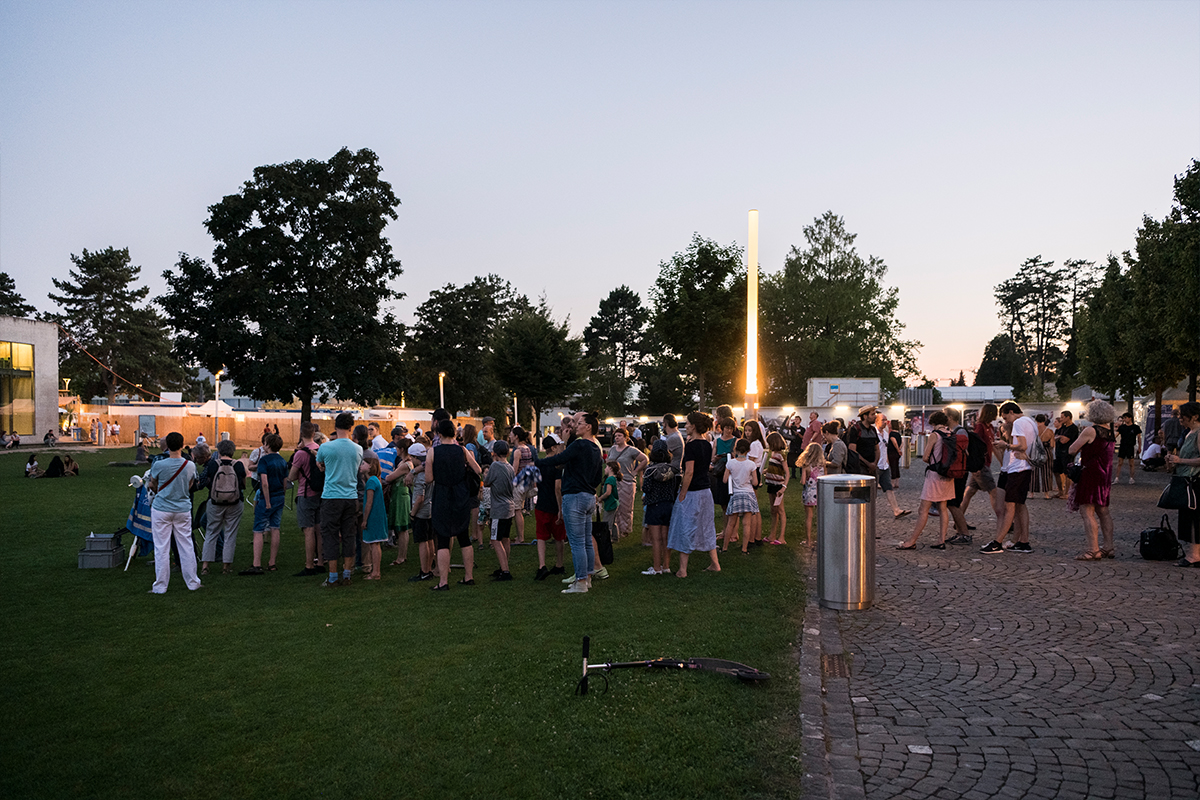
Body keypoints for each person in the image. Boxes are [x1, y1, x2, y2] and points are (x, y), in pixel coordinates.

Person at [535, 411, 604, 594]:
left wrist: (536, 462)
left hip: (575, 497)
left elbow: (559, 459)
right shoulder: (596, 447)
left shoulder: (580, 444)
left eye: (579, 423)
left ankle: (581, 582)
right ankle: (587, 577)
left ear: (588, 426)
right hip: (589, 497)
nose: (575, 426)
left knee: (577, 542)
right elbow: (598, 476)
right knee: (586, 542)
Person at [426, 417, 482, 590]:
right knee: (463, 537)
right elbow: (478, 470)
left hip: (442, 494)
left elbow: (428, 479)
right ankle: (469, 576)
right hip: (461, 494)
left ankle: (443, 581)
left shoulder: (433, 452)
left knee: (443, 538)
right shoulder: (463, 450)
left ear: (439, 433)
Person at [666, 411, 721, 578]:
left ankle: (683, 569)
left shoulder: (691, 446)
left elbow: (688, 472)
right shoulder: (707, 444)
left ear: (694, 426)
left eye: (688, 423)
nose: (686, 426)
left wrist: (682, 492)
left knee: (686, 527)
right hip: (706, 491)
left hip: (693, 492)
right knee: (707, 526)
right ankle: (715, 563)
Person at [147, 432, 200, 594]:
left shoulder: (159, 465)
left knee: (162, 547)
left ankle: (160, 586)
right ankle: (193, 582)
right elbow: (191, 484)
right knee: (186, 546)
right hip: (182, 508)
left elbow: (152, 484)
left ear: (167, 446)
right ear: (182, 445)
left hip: (161, 508)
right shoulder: (190, 465)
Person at [980, 402, 1036, 554]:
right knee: (1018, 505)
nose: (1005, 422)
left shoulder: (1018, 423)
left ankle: (998, 542)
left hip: (1018, 469)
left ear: (1011, 412)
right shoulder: (1031, 421)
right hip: (1017, 468)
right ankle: (1020, 541)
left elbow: (1022, 446)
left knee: (1011, 506)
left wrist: (1006, 445)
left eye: (1005, 417)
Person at [317, 412, 364, 588]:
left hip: (331, 496)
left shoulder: (326, 447)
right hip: (350, 496)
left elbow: (320, 464)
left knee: (330, 535)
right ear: (351, 428)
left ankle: (332, 576)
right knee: (349, 535)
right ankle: (347, 574)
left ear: (335, 427)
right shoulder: (358, 449)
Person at [898, 411, 956, 551]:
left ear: (934, 423)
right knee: (943, 508)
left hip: (935, 475)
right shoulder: (951, 434)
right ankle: (941, 540)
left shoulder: (935, 435)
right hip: (948, 475)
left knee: (923, 509)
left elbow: (925, 457)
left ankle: (911, 541)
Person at [1067, 400, 1116, 560]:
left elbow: (1072, 449)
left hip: (1091, 473)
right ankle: (1108, 547)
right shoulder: (1110, 431)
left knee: (1087, 511)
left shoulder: (1090, 430)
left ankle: (1093, 549)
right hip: (1105, 474)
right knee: (1103, 511)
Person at [242, 433, 286, 575]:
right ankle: (272, 562)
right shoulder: (282, 461)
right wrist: (282, 495)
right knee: (275, 527)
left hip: (267, 498)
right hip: (279, 496)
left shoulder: (264, 461)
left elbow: (264, 483)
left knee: (258, 529)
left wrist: (267, 501)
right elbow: (285, 481)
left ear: (268, 445)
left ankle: (257, 563)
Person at [200, 438, 246, 575]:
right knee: (230, 534)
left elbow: (208, 481)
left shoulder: (213, 465)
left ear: (219, 451)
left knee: (211, 532)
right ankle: (226, 567)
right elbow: (243, 484)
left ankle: (205, 566)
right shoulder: (238, 465)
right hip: (235, 502)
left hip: (215, 502)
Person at [958, 402, 1004, 538]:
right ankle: (1003, 520)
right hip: (981, 466)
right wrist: (975, 465)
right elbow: (974, 445)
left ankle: (959, 521)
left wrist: (1002, 463)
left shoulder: (989, 427)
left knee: (969, 493)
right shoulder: (980, 427)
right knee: (994, 492)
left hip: (984, 464)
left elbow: (992, 446)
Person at [1164, 402, 1200, 567]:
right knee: (1187, 517)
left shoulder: (1198, 433)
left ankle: (1194, 555)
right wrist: (1173, 462)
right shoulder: (1189, 432)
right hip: (1185, 478)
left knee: (1193, 517)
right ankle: (1193, 553)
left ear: (1194, 417)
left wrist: (1180, 460)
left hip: (1194, 480)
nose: (1180, 419)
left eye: (1183, 416)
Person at [287, 421, 323, 576]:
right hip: (320, 493)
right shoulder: (320, 450)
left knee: (308, 530)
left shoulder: (300, 454)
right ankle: (321, 562)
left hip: (306, 493)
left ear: (301, 434)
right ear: (314, 434)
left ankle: (309, 565)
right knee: (319, 529)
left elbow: (291, 476)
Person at [533, 434, 568, 580]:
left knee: (541, 537)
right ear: (553, 447)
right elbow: (557, 487)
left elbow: (535, 483)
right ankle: (559, 564)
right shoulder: (558, 465)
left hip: (541, 503)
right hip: (554, 505)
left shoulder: (539, 464)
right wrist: (560, 508)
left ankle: (542, 566)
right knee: (559, 537)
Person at [641, 439, 677, 574]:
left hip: (654, 505)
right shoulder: (672, 469)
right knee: (665, 538)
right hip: (668, 505)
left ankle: (656, 568)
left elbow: (646, 487)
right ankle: (666, 566)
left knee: (655, 540)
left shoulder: (650, 469)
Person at [607, 428, 647, 542]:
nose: (617, 438)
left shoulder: (631, 450)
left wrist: (636, 471)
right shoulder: (612, 449)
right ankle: (614, 528)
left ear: (626, 437)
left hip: (627, 481)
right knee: (614, 506)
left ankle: (625, 529)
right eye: (616, 436)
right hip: (614, 481)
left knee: (625, 507)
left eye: (619, 436)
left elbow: (645, 459)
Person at [485, 439, 516, 581]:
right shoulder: (510, 467)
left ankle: (505, 570)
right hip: (510, 506)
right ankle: (504, 565)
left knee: (495, 539)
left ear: (495, 453)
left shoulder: (495, 466)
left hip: (498, 508)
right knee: (505, 538)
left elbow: (487, 482)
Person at [722, 438, 759, 554]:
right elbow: (755, 483)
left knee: (731, 523)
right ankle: (744, 549)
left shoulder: (730, 463)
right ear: (748, 450)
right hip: (748, 494)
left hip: (736, 494)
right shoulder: (751, 464)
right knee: (746, 523)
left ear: (736, 449)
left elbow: (724, 480)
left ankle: (725, 548)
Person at [406, 443, 436, 582]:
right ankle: (428, 568)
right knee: (430, 540)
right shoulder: (430, 469)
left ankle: (424, 570)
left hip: (421, 512)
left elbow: (419, 498)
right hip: (431, 509)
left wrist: (412, 513)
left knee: (422, 542)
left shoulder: (420, 476)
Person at [875, 413, 910, 520]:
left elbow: (885, 449)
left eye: (886, 420)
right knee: (872, 492)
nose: (885, 422)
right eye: (883, 420)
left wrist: (887, 462)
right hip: (875, 466)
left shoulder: (886, 434)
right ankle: (866, 511)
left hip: (884, 466)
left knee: (889, 489)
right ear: (876, 421)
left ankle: (896, 510)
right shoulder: (873, 434)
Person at [360, 457, 387, 580]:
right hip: (378, 515)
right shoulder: (376, 480)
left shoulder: (371, 482)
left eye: (363, 463)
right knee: (375, 544)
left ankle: (376, 572)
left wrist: (365, 519)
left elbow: (369, 503)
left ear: (370, 466)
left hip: (374, 516)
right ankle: (376, 571)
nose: (361, 465)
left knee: (374, 544)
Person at [763, 431, 789, 544]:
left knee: (780, 510)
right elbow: (775, 468)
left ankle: (781, 537)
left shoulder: (781, 455)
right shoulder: (773, 454)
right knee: (773, 510)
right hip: (771, 484)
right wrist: (767, 471)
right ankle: (772, 535)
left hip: (778, 486)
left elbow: (786, 473)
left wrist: (783, 487)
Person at [797, 442, 825, 547]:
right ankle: (821, 539)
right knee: (821, 517)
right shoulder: (822, 465)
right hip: (820, 492)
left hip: (809, 492)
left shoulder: (806, 465)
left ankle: (808, 541)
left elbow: (803, 481)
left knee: (809, 517)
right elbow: (825, 477)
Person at [1053, 410, 1080, 499]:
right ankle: (1060, 491)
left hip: (1067, 453)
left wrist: (1060, 437)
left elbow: (1064, 440)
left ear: (1068, 417)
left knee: (1067, 472)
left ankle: (1067, 492)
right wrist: (1059, 437)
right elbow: (1054, 438)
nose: (1061, 419)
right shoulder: (1062, 428)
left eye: (1062, 417)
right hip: (1058, 452)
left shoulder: (1073, 428)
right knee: (1056, 471)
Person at [1029, 414, 1057, 500]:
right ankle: (1046, 494)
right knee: (1046, 472)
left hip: (1035, 451)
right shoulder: (1049, 431)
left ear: (1036, 420)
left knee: (1033, 472)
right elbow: (1052, 445)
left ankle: (1031, 493)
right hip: (1046, 451)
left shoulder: (1032, 430)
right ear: (1045, 421)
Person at [1114, 412, 1142, 484]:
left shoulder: (1135, 427)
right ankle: (1116, 478)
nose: (1124, 419)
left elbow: (1139, 437)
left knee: (1131, 463)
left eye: (1125, 418)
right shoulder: (1122, 427)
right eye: (1124, 418)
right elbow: (1116, 435)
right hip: (1123, 445)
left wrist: (1139, 447)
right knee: (1120, 462)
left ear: (1130, 418)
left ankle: (1131, 478)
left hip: (1130, 446)